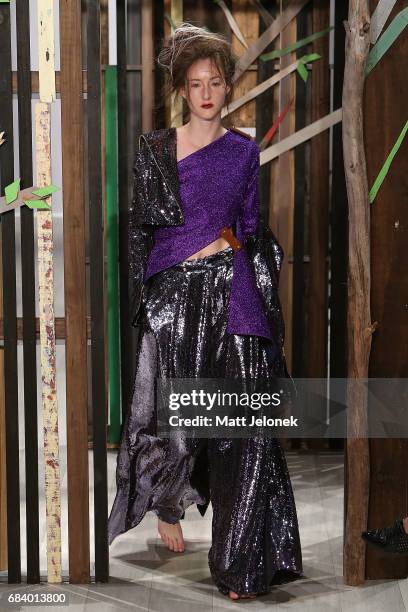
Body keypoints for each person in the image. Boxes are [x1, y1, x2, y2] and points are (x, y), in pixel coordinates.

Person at [108, 22, 303, 600]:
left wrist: (250, 260)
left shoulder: (245, 151)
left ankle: (240, 565)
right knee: (180, 415)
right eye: (196, 84)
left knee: (244, 429)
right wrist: (147, 303)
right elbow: (142, 234)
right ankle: (169, 500)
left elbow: (250, 227)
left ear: (227, 87)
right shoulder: (154, 150)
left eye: (216, 82)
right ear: (182, 92)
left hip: (234, 294)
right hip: (175, 299)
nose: (207, 93)